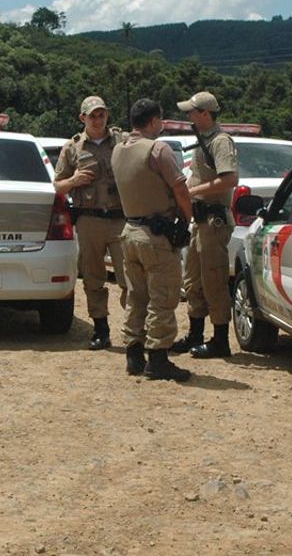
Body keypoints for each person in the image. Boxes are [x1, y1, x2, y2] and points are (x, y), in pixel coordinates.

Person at [111, 98, 194, 381]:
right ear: (153, 121)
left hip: (130, 230)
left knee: (136, 295)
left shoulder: (118, 150)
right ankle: (158, 358)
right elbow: (180, 189)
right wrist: (186, 218)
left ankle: (134, 353)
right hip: (156, 235)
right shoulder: (158, 149)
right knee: (163, 296)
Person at [54, 95, 128, 350]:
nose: (98, 120)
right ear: (82, 118)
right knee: (93, 278)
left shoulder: (122, 141)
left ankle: (135, 328)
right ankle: (101, 330)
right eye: (92, 116)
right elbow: (58, 186)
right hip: (89, 220)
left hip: (120, 218)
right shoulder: (73, 147)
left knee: (130, 276)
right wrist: (74, 180)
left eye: (101, 114)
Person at [171, 91, 239, 359]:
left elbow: (229, 179)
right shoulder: (204, 140)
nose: (189, 116)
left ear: (205, 113)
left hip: (213, 220)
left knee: (214, 280)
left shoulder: (220, 141)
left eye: (192, 111)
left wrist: (193, 191)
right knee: (193, 280)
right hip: (200, 220)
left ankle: (220, 339)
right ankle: (196, 334)